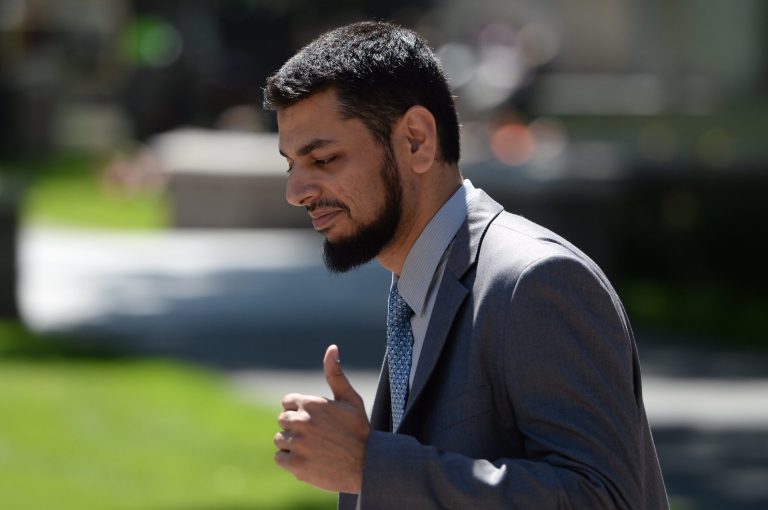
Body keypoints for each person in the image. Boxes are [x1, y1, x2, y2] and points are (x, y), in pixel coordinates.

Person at [263, 21, 669, 509]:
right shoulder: (417, 283)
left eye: (324, 159)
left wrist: (370, 466)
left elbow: (603, 499)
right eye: (291, 164)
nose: (296, 191)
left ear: (416, 140)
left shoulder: (536, 281)